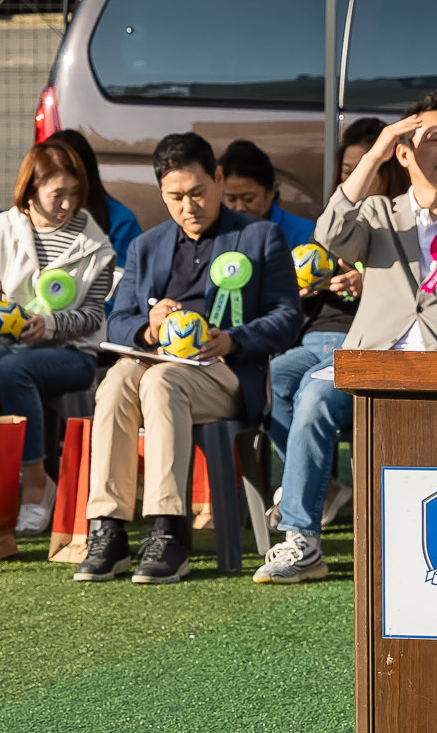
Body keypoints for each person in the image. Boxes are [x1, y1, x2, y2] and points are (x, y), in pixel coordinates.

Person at [256, 94, 437, 586]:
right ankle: (303, 541)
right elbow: (329, 233)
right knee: (312, 392)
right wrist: (373, 153)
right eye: (432, 139)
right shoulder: (377, 211)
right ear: (403, 153)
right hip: (372, 356)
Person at [74, 132, 301, 586]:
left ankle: (167, 529)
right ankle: (109, 528)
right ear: (161, 191)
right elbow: (116, 321)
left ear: (217, 179)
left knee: (161, 382)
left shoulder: (259, 237)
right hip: (157, 365)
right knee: (117, 381)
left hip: (227, 371)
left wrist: (233, 339)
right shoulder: (147, 245)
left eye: (197, 192)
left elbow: (287, 317)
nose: (188, 206)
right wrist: (148, 326)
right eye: (175, 196)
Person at [0, 139, 119, 535]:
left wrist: (52, 324)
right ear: (30, 192)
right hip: (10, 340)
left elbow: (96, 315)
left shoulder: (96, 244)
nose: (67, 204)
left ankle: (37, 484)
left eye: (74, 194)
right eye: (58, 194)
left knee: (11, 369)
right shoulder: (2, 226)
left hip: (74, 354)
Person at [259, 116, 381, 551]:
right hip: (314, 338)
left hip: (360, 343)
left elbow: (418, 297)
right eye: (346, 171)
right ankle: (323, 483)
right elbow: (294, 306)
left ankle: (299, 526)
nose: (354, 178)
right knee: (268, 382)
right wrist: (303, 291)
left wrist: (368, 285)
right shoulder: (331, 223)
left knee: (313, 391)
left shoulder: (396, 221)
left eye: (364, 167)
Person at [47, 127, 146, 262]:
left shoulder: (121, 220)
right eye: (57, 193)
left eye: (74, 191)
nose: (66, 204)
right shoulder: (17, 224)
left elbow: (125, 275)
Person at [220, 137, 316, 248]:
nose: (240, 207)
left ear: (271, 191)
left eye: (248, 199)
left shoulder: (303, 233)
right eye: (231, 199)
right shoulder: (218, 234)